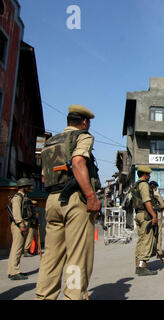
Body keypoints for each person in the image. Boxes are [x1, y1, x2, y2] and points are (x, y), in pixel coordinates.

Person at [35, 104, 102, 300]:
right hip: (74, 200)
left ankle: (43, 296)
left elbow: (44, 179)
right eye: (88, 123)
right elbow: (78, 162)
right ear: (84, 122)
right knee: (77, 256)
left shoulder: (51, 142)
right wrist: (90, 196)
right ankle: (73, 296)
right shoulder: (82, 136)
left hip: (53, 201)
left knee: (51, 257)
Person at [131, 166, 158, 276]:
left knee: (141, 240)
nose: (149, 176)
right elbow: (147, 202)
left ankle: (138, 266)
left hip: (138, 214)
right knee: (147, 240)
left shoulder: (136, 185)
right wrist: (154, 216)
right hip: (145, 215)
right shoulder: (143, 185)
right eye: (148, 174)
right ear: (145, 174)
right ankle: (142, 267)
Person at [7, 178, 34, 280]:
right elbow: (16, 213)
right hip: (19, 225)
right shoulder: (17, 197)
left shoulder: (23, 197)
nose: (29, 188)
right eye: (28, 186)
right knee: (17, 249)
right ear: (23, 187)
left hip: (22, 223)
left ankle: (13, 270)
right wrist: (21, 224)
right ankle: (14, 272)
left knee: (17, 248)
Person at [149, 181, 164, 259]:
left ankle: (151, 250)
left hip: (148, 216)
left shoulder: (146, 194)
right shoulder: (156, 194)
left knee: (150, 234)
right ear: (155, 187)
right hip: (157, 214)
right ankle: (159, 252)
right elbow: (162, 205)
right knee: (158, 234)